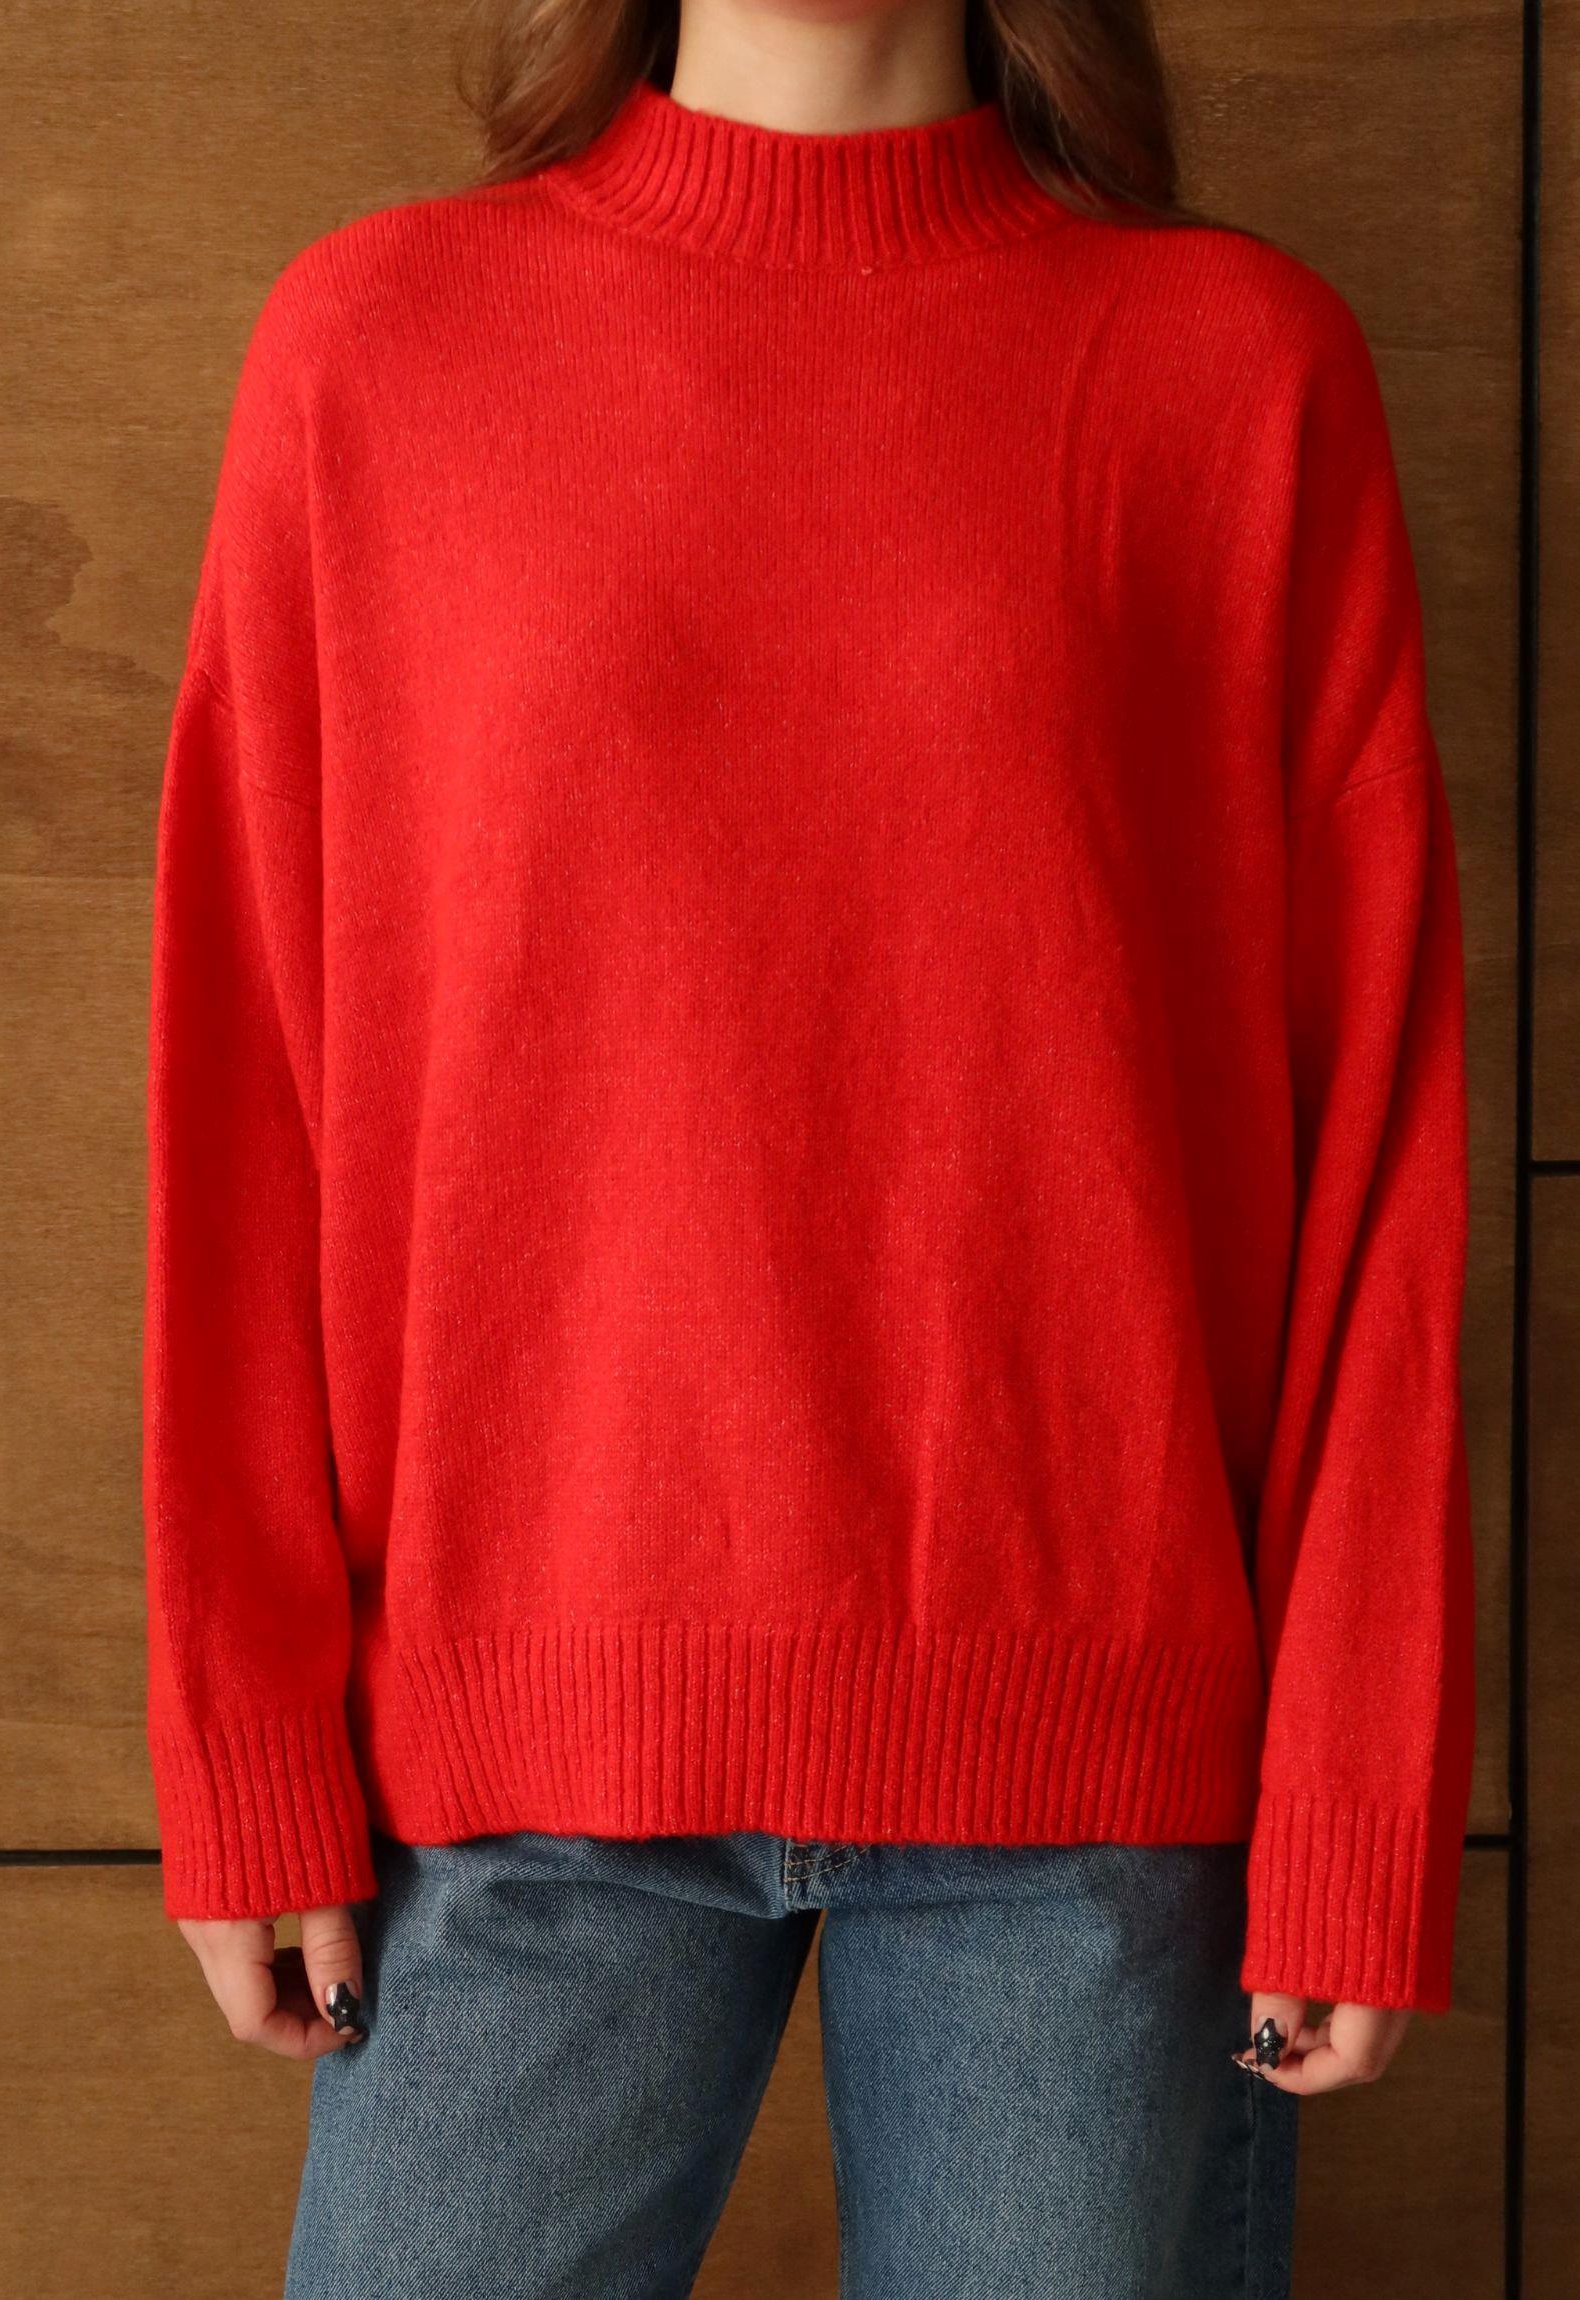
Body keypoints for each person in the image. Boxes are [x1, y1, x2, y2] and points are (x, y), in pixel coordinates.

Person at [140, 0, 1476, 2288]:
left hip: (1087, 1764)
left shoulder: (1238, 370)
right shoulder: (378, 348)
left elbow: (1377, 1146)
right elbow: (249, 1084)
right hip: (524, 1738)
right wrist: (242, 1727)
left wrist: (1360, 1790)